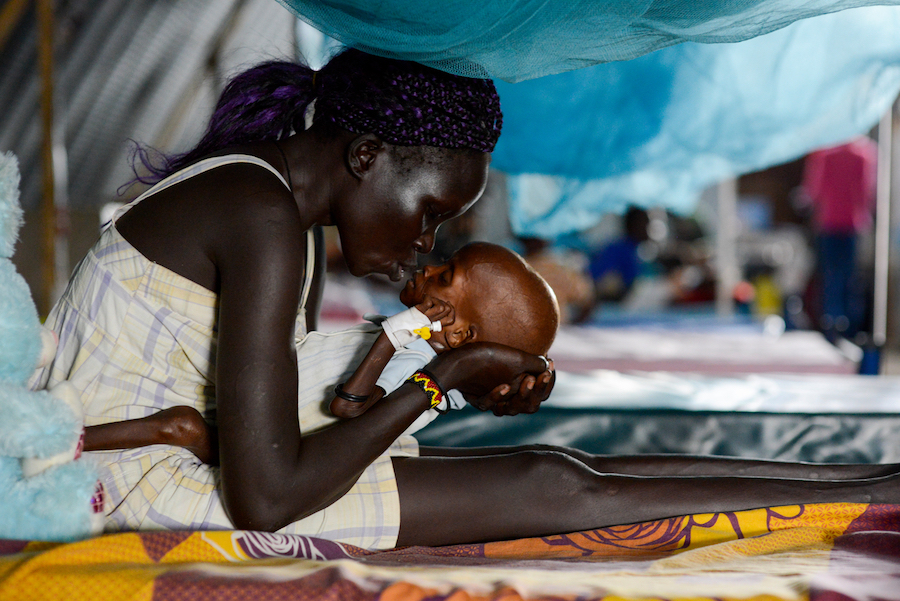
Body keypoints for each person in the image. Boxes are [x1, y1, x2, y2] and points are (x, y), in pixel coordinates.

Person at [29, 49, 900, 551]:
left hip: (181, 459)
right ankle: (860, 489)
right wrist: (438, 381)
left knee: (566, 467)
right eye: (431, 212)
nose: (426, 242)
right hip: (118, 482)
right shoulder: (258, 214)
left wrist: (430, 369)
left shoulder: (271, 214)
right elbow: (264, 497)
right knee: (551, 480)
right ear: (367, 155)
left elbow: (299, 428)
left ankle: (861, 478)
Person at [801, 137, 877, 342]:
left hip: (828, 223)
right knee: (850, 277)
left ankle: (831, 323)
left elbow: (813, 190)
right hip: (853, 223)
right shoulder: (865, 153)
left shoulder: (825, 153)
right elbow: (867, 192)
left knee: (830, 276)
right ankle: (849, 327)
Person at [589, 205, 650, 301]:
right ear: (634, 225)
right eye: (645, 224)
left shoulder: (636, 251)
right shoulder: (619, 251)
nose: (648, 229)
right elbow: (599, 281)